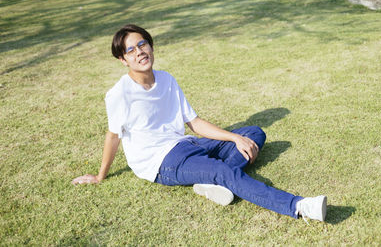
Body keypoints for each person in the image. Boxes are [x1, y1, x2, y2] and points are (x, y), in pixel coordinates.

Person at [72, 24, 327, 222]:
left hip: (187, 145)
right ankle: (299, 206)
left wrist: (234, 137)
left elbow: (193, 121)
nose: (140, 52)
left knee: (252, 134)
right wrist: (99, 176)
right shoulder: (119, 93)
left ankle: (214, 182)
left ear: (150, 46)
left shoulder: (166, 79)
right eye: (131, 49)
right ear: (123, 60)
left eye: (143, 44)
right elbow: (113, 136)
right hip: (162, 162)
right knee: (223, 171)